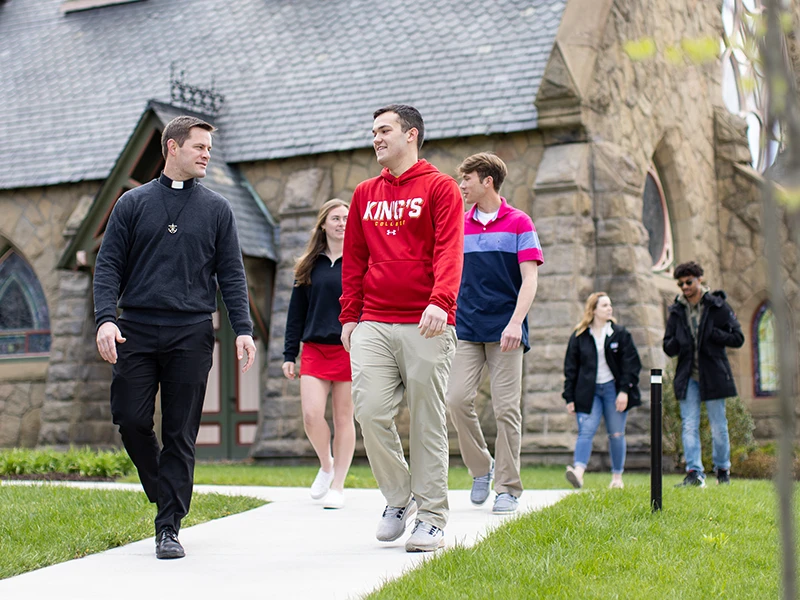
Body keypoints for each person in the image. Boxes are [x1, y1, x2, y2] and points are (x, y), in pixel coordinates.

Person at [93, 116, 256, 560]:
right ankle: (164, 487)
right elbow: (107, 267)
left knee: (181, 431)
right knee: (130, 418)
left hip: (191, 331)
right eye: (199, 147)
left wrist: (243, 328)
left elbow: (232, 274)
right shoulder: (131, 204)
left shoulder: (218, 209)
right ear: (172, 148)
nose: (207, 154)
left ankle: (169, 527)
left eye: (208, 147)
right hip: (136, 329)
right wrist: (106, 319)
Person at [340, 104, 463, 552]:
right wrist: (349, 315)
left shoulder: (441, 188)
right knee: (369, 411)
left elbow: (450, 250)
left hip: (426, 320)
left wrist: (440, 302)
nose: (376, 138)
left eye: (384, 130)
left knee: (427, 419)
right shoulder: (364, 193)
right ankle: (398, 498)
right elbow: (353, 259)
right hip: (373, 319)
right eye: (373, 131)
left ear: (411, 135)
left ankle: (431, 516)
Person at [445, 152, 543, 514]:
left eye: (467, 179)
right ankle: (481, 469)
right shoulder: (459, 223)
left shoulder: (519, 222)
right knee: (455, 400)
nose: (462, 186)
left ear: (487, 180)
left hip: (507, 331)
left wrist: (516, 322)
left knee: (506, 411)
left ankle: (508, 488)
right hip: (467, 328)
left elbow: (530, 278)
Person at [283, 198, 355, 509]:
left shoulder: (360, 260)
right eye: (336, 218)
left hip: (350, 349)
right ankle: (326, 464)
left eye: (346, 218)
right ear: (323, 224)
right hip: (314, 349)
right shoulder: (308, 265)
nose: (342, 223)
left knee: (343, 419)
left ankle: (338, 484)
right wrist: (289, 354)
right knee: (312, 416)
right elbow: (295, 313)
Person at [663, 261, 744, 487]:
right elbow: (667, 344)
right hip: (688, 376)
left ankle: (722, 470)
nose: (685, 287)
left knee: (719, 425)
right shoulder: (676, 311)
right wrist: (676, 342)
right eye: (680, 284)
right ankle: (694, 473)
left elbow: (738, 338)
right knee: (689, 424)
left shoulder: (718, 305)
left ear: (699, 279)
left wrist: (714, 334)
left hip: (714, 374)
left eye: (688, 282)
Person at [562, 292, 641, 489]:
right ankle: (578, 473)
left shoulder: (620, 334)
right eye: (605, 305)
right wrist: (569, 398)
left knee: (616, 434)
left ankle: (617, 478)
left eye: (610, 304)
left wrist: (624, 391)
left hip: (613, 390)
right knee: (585, 431)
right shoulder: (579, 336)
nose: (609, 308)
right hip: (588, 393)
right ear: (593, 310)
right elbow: (570, 369)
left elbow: (632, 365)